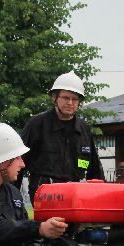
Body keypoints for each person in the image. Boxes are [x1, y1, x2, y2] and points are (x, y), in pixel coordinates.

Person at [20, 71, 103, 204]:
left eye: (75, 99)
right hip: (45, 197)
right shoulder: (36, 125)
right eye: (65, 98)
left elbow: (95, 170)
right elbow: (18, 164)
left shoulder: (84, 129)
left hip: (76, 197)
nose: (70, 103)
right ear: (54, 97)